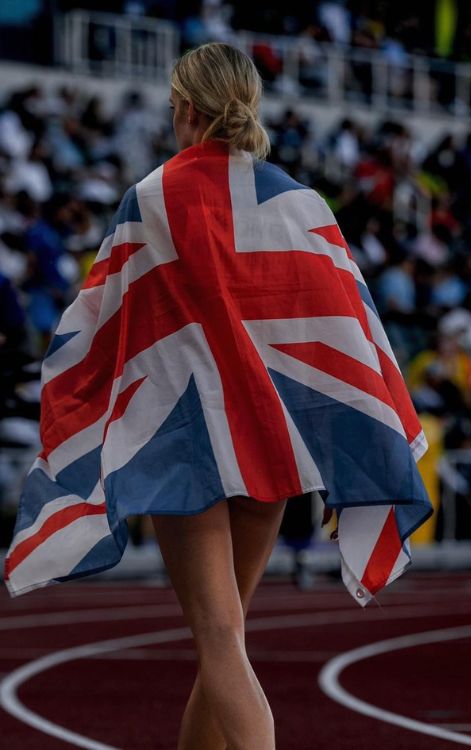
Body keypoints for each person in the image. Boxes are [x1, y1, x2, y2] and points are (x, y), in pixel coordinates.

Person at [4, 43, 432, 749]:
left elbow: (105, 325)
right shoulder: (301, 202)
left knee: (219, 636)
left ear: (184, 108)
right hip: (271, 439)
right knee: (225, 638)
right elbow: (344, 321)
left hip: (185, 440)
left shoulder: (151, 198)